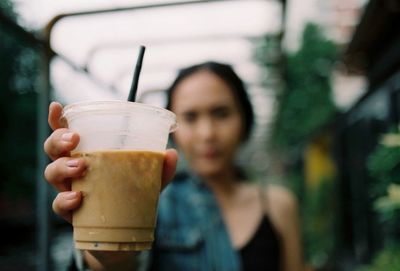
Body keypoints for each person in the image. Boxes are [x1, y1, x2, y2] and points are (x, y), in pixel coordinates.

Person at [44, 61, 304, 271]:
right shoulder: (151, 202)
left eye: (221, 113)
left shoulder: (278, 205)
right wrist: (108, 248)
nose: (207, 133)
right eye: (191, 117)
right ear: (173, 131)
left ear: (244, 119)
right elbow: (120, 264)